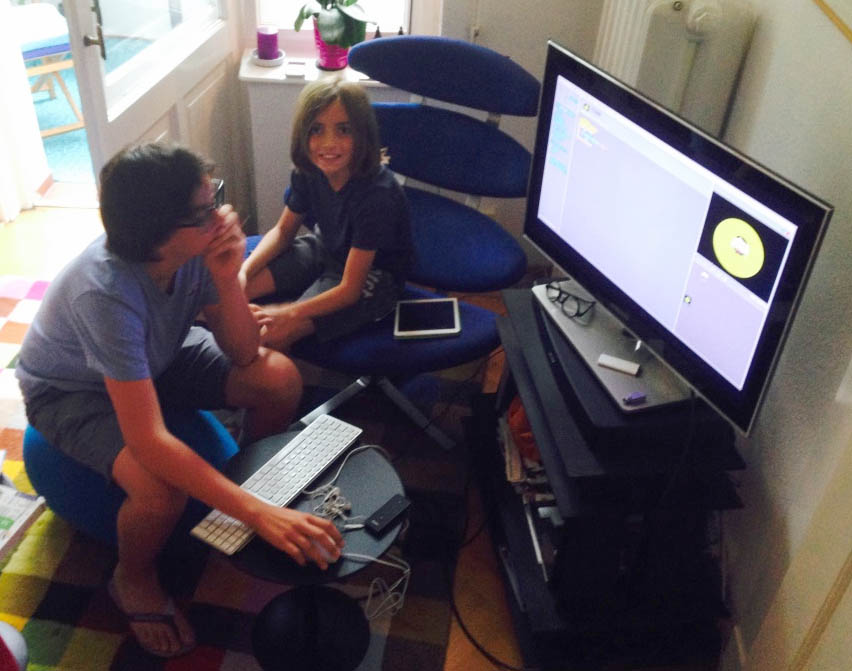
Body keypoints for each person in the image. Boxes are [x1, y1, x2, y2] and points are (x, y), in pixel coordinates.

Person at [15, 142, 344, 658]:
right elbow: (148, 441)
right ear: (158, 234)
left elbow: (243, 351)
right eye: (205, 211)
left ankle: (246, 487)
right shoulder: (105, 294)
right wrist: (258, 514)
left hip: (156, 354)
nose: (222, 216)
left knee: (279, 379)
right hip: (72, 390)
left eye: (215, 197)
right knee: (159, 489)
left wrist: (227, 276)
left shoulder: (194, 251)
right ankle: (132, 578)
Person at [239, 77, 413, 350]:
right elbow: (283, 232)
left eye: (343, 130)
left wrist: (287, 312)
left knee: (273, 334)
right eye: (316, 130)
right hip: (324, 247)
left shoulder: (378, 194)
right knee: (231, 296)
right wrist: (243, 272)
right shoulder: (309, 171)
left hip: (372, 278)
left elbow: (350, 289)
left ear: (362, 134)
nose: (328, 143)